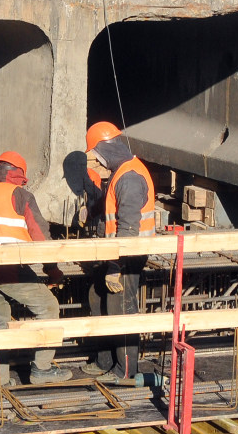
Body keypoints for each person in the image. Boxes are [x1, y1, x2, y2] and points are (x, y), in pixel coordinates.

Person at [0, 151, 71, 390]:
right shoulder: (20, 195)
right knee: (49, 307)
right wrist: (53, 272)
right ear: (20, 176)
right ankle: (42, 369)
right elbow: (40, 237)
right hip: (6, 267)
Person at [82, 121, 155, 382]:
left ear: (105, 150)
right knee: (96, 295)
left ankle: (125, 372)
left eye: (96, 156)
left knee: (121, 309)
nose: (96, 163)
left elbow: (128, 231)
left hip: (128, 258)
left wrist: (115, 268)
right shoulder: (121, 171)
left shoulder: (130, 177)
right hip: (117, 254)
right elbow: (114, 208)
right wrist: (94, 208)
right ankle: (104, 361)